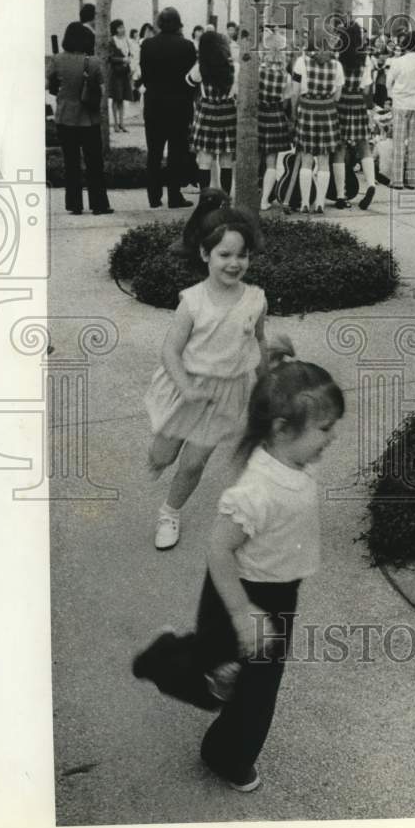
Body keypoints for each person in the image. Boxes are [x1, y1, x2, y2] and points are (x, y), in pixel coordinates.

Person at [132, 358, 344, 791]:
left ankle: (225, 754)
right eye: (324, 428)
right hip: (239, 593)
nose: (332, 436)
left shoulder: (295, 460)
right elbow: (219, 550)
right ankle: (162, 659)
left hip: (280, 590)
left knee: (256, 685)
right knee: (220, 672)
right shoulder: (254, 491)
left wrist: (273, 369)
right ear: (282, 429)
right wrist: (243, 612)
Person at [144, 199, 270, 550]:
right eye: (224, 254)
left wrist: (267, 381)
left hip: (224, 395)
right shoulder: (192, 302)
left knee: (193, 463)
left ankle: (170, 512)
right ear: (205, 254)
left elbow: (258, 340)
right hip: (184, 387)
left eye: (242, 255)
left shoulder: (256, 300)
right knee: (162, 456)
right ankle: (158, 457)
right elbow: (170, 351)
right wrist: (186, 387)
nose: (234, 263)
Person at [45, 21, 113, 216]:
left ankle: (74, 204)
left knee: (71, 162)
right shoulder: (93, 62)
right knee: (94, 163)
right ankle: (99, 204)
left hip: (65, 117)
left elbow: (49, 85)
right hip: (89, 119)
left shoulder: (57, 60)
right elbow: (102, 90)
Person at [139, 6, 196, 209]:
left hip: (154, 104)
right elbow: (191, 80)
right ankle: (174, 196)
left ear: (159, 24)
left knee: (154, 152)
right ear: (178, 23)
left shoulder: (147, 45)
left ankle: (153, 197)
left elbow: (145, 76)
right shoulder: (187, 46)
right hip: (179, 106)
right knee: (176, 153)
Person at [291, 35, 344, 215]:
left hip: (307, 110)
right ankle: (320, 203)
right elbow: (338, 96)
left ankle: (305, 203)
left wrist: (293, 113)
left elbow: (295, 92)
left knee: (306, 159)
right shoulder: (337, 65)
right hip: (327, 111)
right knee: (324, 161)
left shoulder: (301, 62)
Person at [186, 30, 237, 196]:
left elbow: (189, 81)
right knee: (226, 160)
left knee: (205, 161)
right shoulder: (234, 66)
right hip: (228, 113)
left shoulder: (201, 67)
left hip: (207, 113)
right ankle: (226, 198)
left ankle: (205, 199)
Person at [332, 20, 377, 209]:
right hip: (358, 101)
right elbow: (367, 89)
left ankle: (340, 195)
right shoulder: (365, 58)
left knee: (339, 148)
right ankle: (371, 184)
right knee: (364, 145)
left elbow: (335, 85)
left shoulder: (337, 57)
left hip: (341, 102)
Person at [387, 29, 415, 190]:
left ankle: (397, 180)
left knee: (398, 142)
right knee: (413, 142)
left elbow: (389, 82)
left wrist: (392, 95)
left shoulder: (398, 62)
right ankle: (411, 179)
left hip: (400, 102)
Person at [257, 29, 293, 211]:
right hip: (276, 115)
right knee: (271, 161)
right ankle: (264, 200)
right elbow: (285, 101)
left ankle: (250, 195)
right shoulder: (286, 76)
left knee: (255, 157)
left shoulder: (258, 71)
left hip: (258, 115)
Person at [108, 19, 134, 133]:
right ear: (115, 29)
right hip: (116, 73)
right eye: (119, 27)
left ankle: (122, 122)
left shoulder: (126, 41)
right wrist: (122, 60)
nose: (122, 29)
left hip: (124, 72)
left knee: (122, 98)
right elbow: (110, 58)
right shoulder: (112, 41)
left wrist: (130, 64)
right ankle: (115, 123)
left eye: (123, 27)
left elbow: (130, 54)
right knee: (116, 98)